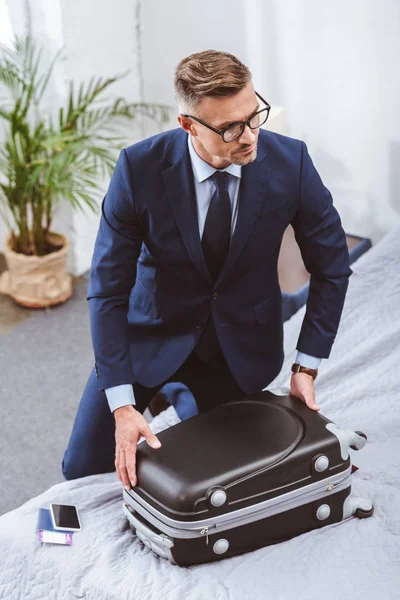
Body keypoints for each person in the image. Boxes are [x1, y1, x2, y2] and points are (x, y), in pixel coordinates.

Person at [62, 49, 352, 491]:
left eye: (254, 115)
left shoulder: (290, 163)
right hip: (151, 334)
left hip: (238, 347)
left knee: (231, 479)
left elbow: (332, 265)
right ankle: (163, 390)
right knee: (82, 469)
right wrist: (122, 407)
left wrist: (306, 366)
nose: (249, 135)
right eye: (231, 127)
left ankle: (178, 395)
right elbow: (107, 291)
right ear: (188, 125)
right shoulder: (138, 169)